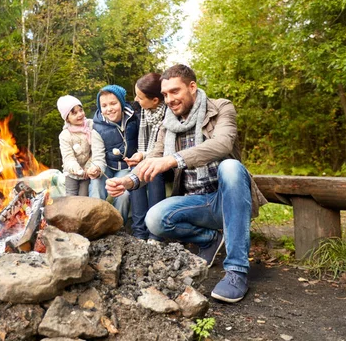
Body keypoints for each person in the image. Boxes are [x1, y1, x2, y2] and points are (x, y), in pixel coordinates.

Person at [105, 64, 267, 303]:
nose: (169, 99)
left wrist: (174, 159)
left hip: (227, 198)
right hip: (196, 203)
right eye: (165, 94)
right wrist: (129, 181)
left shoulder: (221, 108)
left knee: (231, 167)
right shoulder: (167, 124)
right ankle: (209, 240)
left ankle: (236, 271)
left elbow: (222, 144)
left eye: (175, 91)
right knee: (154, 219)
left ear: (192, 87)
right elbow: (153, 157)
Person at [124, 73, 167, 242]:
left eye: (140, 97)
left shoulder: (168, 114)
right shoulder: (141, 111)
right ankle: (139, 233)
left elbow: (163, 150)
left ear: (155, 100)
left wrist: (145, 157)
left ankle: (156, 234)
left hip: (169, 161)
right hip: (149, 156)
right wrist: (141, 155)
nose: (136, 99)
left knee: (153, 171)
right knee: (137, 170)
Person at [89, 85, 139, 223]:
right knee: (96, 184)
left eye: (113, 103)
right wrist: (97, 169)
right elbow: (98, 157)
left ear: (121, 103)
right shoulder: (97, 128)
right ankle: (95, 223)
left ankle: (118, 225)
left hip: (125, 168)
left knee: (123, 195)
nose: (109, 109)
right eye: (104, 105)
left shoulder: (134, 120)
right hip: (107, 166)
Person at [57, 95, 105, 196]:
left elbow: (96, 150)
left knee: (83, 196)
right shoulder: (65, 135)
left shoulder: (91, 125)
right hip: (72, 173)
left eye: (81, 110)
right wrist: (77, 170)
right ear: (67, 118)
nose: (80, 114)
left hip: (87, 172)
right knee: (71, 197)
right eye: (74, 113)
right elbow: (68, 157)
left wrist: (88, 168)